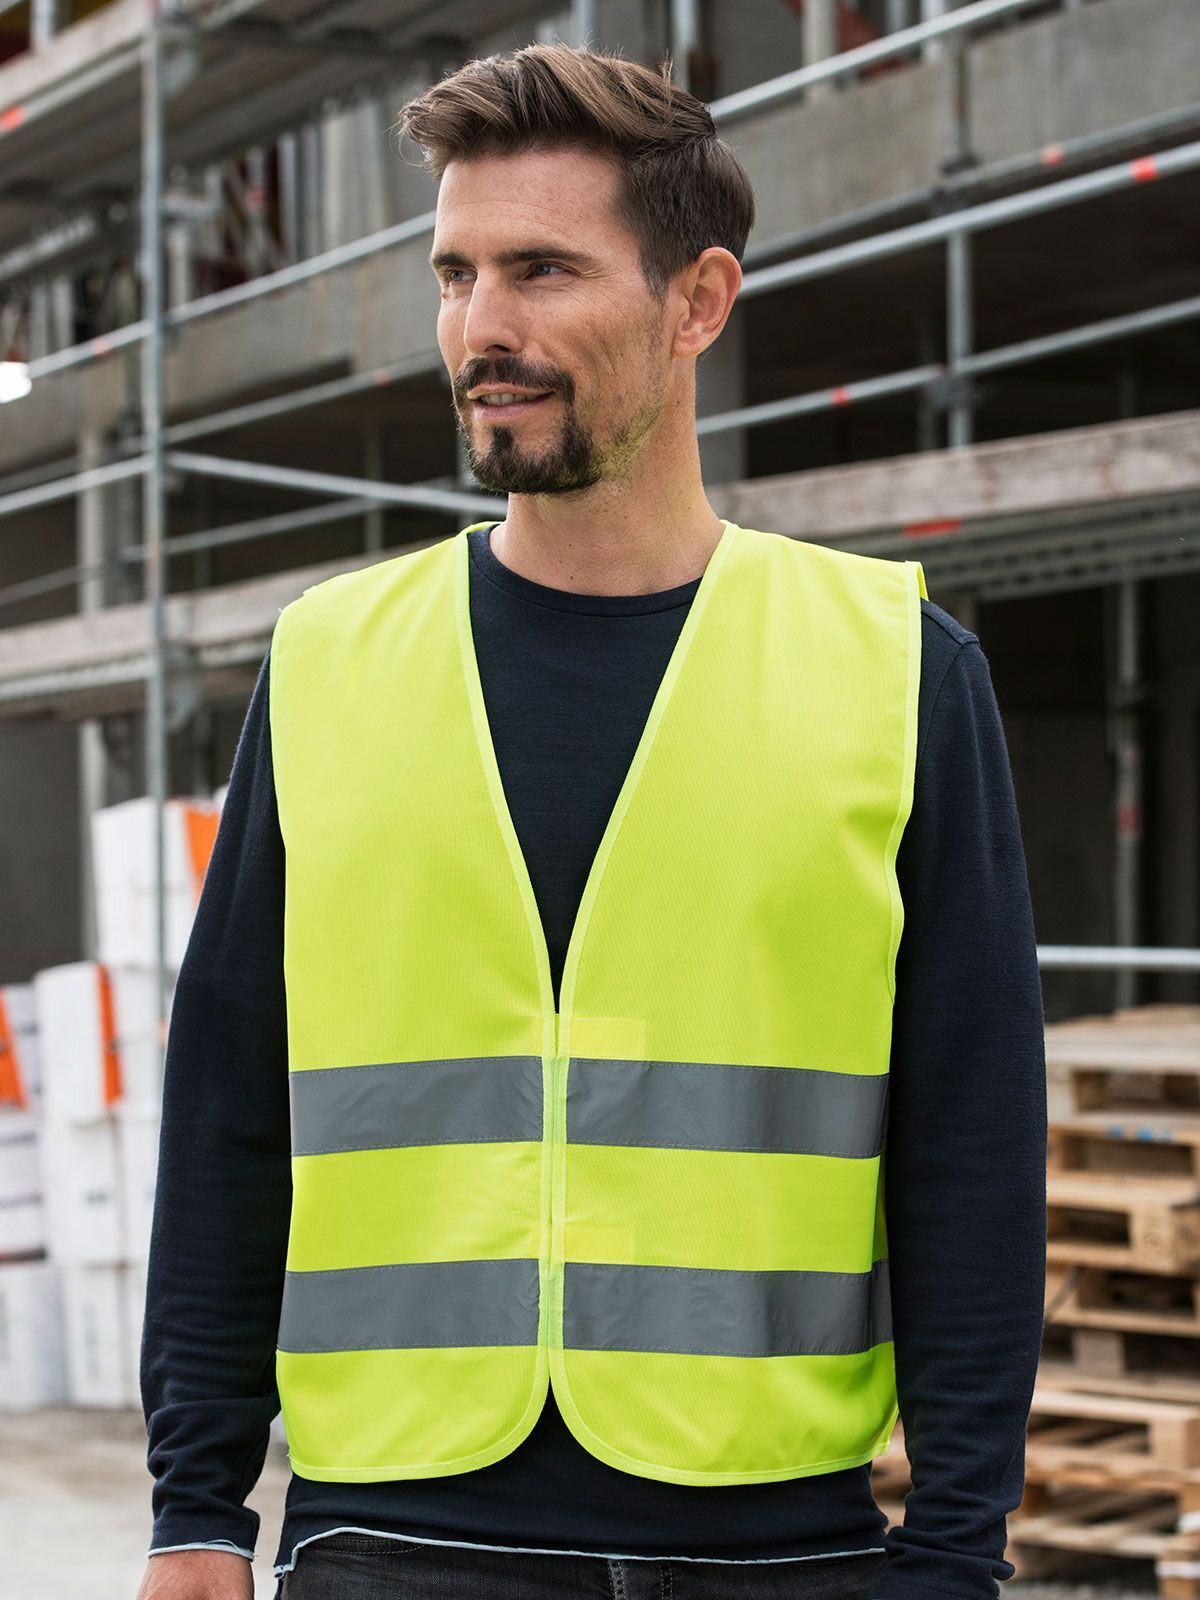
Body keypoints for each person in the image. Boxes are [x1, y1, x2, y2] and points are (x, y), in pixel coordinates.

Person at [135, 41, 1047, 1600]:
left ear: (698, 301)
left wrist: (958, 1551)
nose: (482, 328)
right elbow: (228, 1108)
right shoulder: (330, 664)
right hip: (397, 1544)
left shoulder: (895, 668)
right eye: (457, 274)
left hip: (776, 1545)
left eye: (543, 270)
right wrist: (196, 1508)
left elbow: (972, 1134)